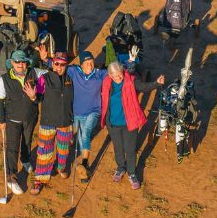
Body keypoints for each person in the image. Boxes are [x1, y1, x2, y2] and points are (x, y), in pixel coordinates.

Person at [101, 59, 164, 190]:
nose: (118, 77)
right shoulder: (107, 82)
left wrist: (156, 83)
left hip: (130, 121)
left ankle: (131, 173)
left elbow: (144, 87)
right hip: (113, 123)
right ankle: (120, 168)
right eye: (115, 75)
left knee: (130, 149)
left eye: (120, 74)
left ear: (123, 71)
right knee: (118, 147)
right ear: (110, 76)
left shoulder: (131, 80)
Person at [0, 49, 39, 195]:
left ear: (26, 63)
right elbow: (0, 100)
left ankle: (25, 160)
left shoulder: (34, 74)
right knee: (12, 148)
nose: (20, 64)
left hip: (30, 117)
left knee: (27, 142)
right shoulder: (4, 79)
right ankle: (11, 177)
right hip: (12, 119)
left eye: (23, 62)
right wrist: (1, 120)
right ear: (12, 63)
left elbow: (49, 74)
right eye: (17, 62)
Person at [30, 52, 74, 195]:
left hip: (65, 122)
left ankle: (61, 167)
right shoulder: (45, 78)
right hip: (48, 121)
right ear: (52, 63)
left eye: (62, 64)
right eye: (56, 64)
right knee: (44, 151)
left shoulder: (70, 78)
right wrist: (33, 96)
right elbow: (39, 97)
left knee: (63, 149)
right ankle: (39, 179)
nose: (59, 67)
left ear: (66, 65)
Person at [66, 51, 104, 183]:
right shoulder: (74, 71)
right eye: (87, 63)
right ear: (81, 64)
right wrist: (46, 59)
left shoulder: (99, 74)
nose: (90, 65)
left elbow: (115, 72)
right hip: (76, 113)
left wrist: (130, 64)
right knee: (69, 136)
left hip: (93, 112)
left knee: (85, 134)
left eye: (92, 62)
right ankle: (63, 162)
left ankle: (85, 163)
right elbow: (59, 67)